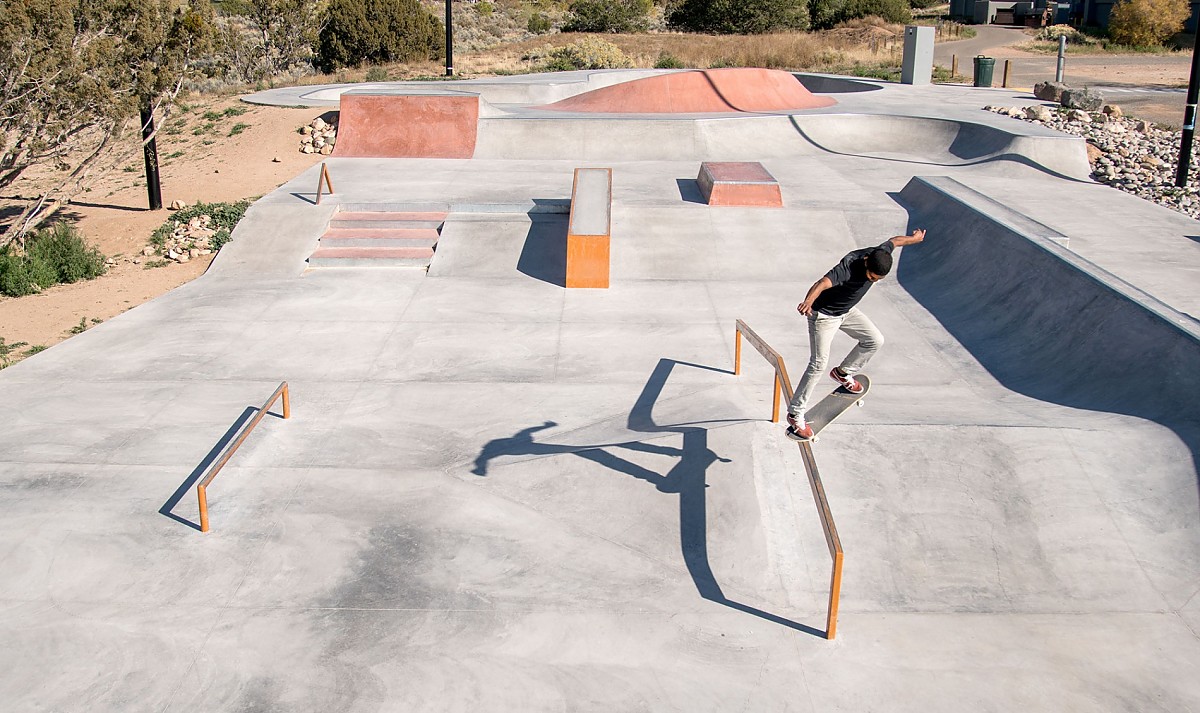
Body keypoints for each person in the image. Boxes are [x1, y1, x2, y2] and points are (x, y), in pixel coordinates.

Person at [786, 229, 926, 441]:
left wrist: (914, 240)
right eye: (871, 277)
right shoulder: (849, 267)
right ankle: (795, 414)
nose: (873, 281)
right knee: (818, 364)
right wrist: (808, 301)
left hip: (846, 312)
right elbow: (821, 283)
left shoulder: (880, 253)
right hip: (823, 316)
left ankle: (843, 373)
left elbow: (894, 241)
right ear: (866, 263)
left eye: (877, 280)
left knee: (874, 340)